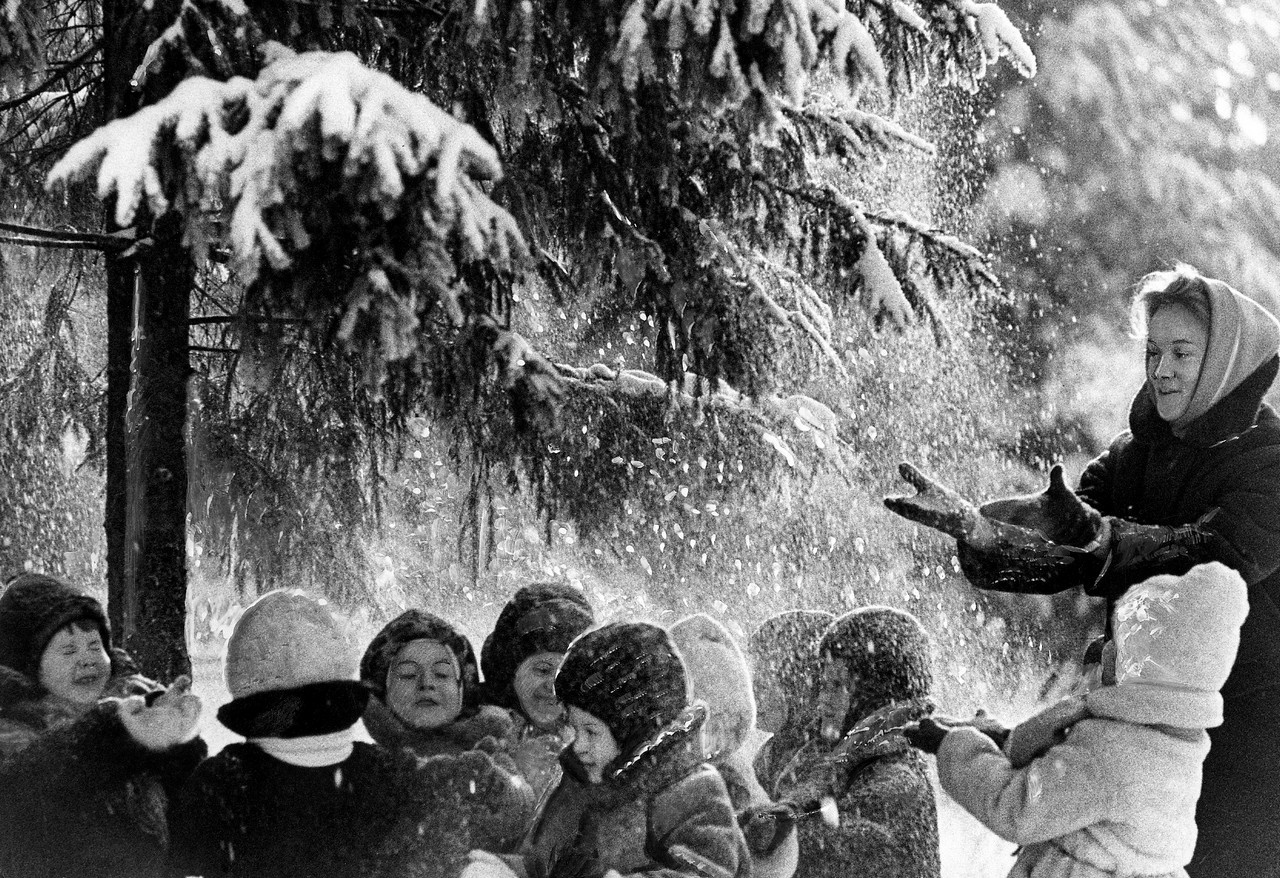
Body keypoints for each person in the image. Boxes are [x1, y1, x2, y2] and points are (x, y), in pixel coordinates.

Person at [887, 266, 1280, 876]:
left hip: (1245, 734)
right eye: (1153, 351)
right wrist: (995, 538)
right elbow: (1075, 539)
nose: (1162, 370)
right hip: (1138, 713)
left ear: (1225, 361)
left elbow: (1217, 551)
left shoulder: (1269, 464)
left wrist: (1104, 541)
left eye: (1182, 353)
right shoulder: (1136, 453)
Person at [907, 563, 1249, 878]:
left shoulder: (1114, 753)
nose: (1102, 648)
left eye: (1119, 642)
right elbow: (1070, 778)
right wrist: (1002, 740)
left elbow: (1019, 807)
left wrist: (955, 745)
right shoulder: (1167, 741)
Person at [168, 590, 534, 878]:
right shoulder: (394, 777)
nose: (427, 686)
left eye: (441, 674)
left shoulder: (223, 783)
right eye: (407, 675)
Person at [467, 620, 749, 878]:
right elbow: (547, 861)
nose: (579, 745)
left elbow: (706, 870)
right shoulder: (578, 783)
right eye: (574, 729)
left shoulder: (690, 789)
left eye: (591, 731)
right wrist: (507, 870)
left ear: (636, 734)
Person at [0, 572, 206, 878]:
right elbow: (31, 784)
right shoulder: (13, 728)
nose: (88, 660)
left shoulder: (135, 700)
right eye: (69, 651)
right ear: (30, 667)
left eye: (95, 646)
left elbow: (184, 810)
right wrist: (117, 731)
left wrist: (176, 741)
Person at [768, 606, 940, 878]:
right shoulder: (829, 758)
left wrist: (768, 833)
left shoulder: (898, 781)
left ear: (873, 695)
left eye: (836, 686)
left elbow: (839, 844)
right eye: (823, 685)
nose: (823, 700)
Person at [671, 613, 798, 878]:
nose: (721, 739)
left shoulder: (738, 780)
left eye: (735, 726)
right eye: (713, 723)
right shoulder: (655, 782)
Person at [479, 581, 594, 801]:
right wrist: (511, 769)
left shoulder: (600, 734)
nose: (553, 686)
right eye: (542, 669)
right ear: (511, 672)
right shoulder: (480, 729)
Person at [361, 608, 513, 758]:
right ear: (382, 691)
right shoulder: (355, 768)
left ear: (463, 689)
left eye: (441, 674)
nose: (426, 683)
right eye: (409, 674)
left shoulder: (507, 762)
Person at [746, 609, 833, 793]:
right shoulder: (768, 757)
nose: (752, 695)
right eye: (750, 683)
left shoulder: (828, 759)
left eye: (761, 685)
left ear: (799, 685)